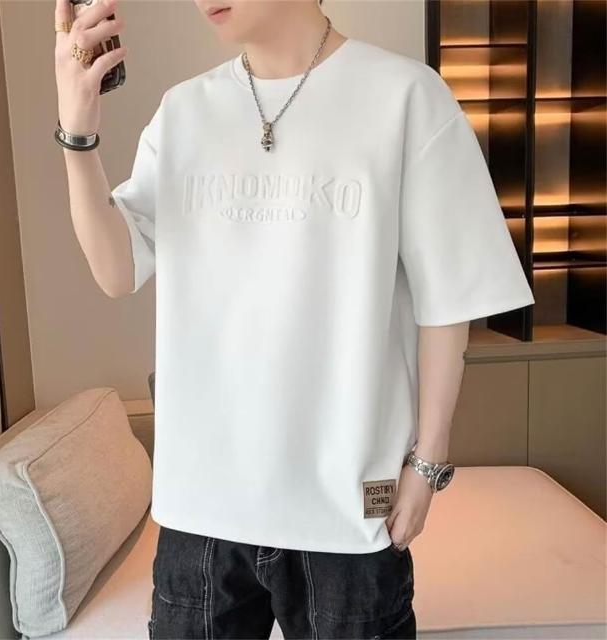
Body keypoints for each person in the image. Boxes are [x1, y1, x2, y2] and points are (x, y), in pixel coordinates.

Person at [54, 0, 535, 638]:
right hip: (200, 515)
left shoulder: (405, 97)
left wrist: (428, 462)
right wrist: (78, 135)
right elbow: (118, 270)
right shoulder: (183, 112)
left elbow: (447, 298)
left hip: (346, 512)